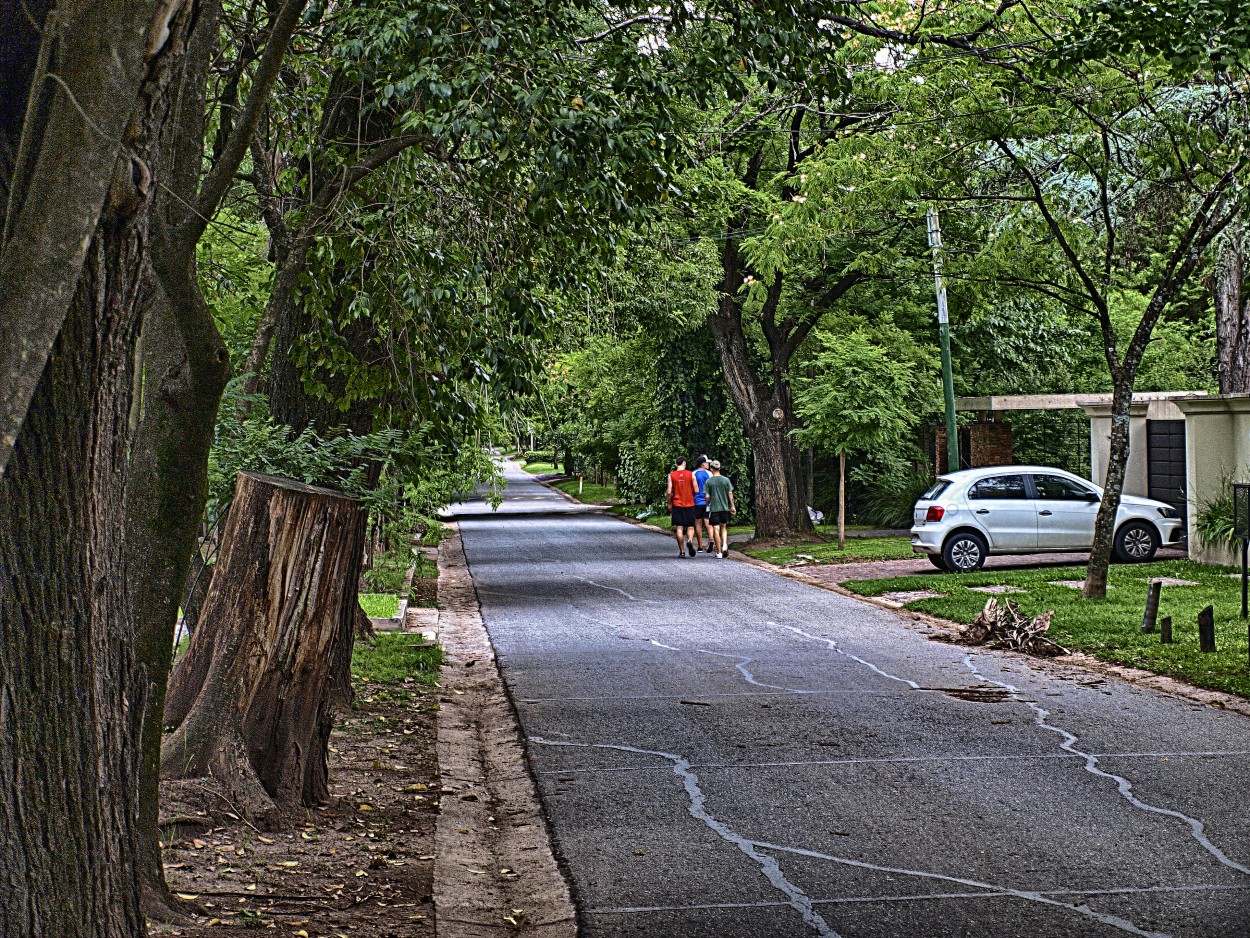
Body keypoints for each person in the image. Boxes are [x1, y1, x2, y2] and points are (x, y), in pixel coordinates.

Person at [666, 457, 698, 557]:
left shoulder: (671, 475)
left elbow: (668, 492)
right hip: (690, 503)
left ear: (676, 464)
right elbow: (696, 490)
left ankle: (682, 551)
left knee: (679, 528)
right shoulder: (691, 474)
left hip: (677, 504)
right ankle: (689, 540)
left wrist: (669, 503)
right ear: (684, 463)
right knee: (690, 526)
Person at [704, 460, 735, 557]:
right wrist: (732, 506)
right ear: (720, 468)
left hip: (714, 509)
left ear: (711, 469)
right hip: (724, 508)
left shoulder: (709, 482)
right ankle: (725, 544)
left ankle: (719, 552)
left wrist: (708, 504)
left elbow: (707, 496)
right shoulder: (726, 480)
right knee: (724, 527)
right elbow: (730, 493)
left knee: (716, 529)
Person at [692, 455, 713, 553]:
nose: (708, 464)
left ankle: (700, 546)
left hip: (696, 501)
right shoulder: (709, 474)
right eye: (707, 463)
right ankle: (711, 540)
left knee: (698, 523)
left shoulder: (694, 474)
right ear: (702, 464)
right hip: (707, 502)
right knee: (708, 522)